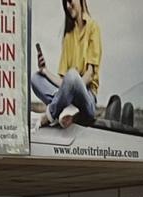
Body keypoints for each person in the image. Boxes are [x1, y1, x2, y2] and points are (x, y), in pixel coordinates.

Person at [33, 0, 101, 129]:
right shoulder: (68, 36)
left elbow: (89, 75)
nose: (68, 6)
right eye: (65, 4)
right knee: (35, 78)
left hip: (87, 98)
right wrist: (45, 71)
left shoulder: (93, 27)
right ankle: (67, 108)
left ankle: (50, 115)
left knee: (72, 76)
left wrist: (71, 88)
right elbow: (64, 82)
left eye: (70, 1)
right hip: (67, 94)